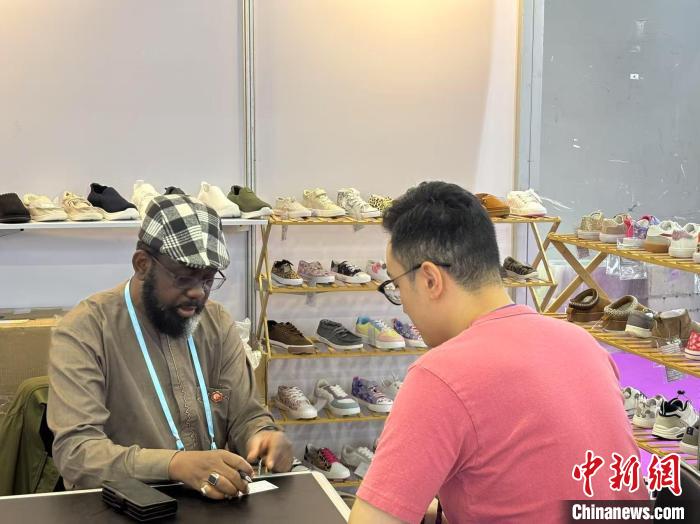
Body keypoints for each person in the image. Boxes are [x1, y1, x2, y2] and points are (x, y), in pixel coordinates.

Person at [349, 182, 646, 523]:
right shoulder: (582, 344)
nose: (403, 306)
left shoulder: (441, 375)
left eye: (397, 285)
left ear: (430, 279)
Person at [48, 195, 292, 499]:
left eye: (208, 279)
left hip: (212, 499)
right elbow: (76, 453)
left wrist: (263, 435)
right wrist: (174, 465)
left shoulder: (216, 323)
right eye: (183, 278)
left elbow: (245, 413)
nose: (198, 292)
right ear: (142, 264)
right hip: (123, 504)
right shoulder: (85, 330)